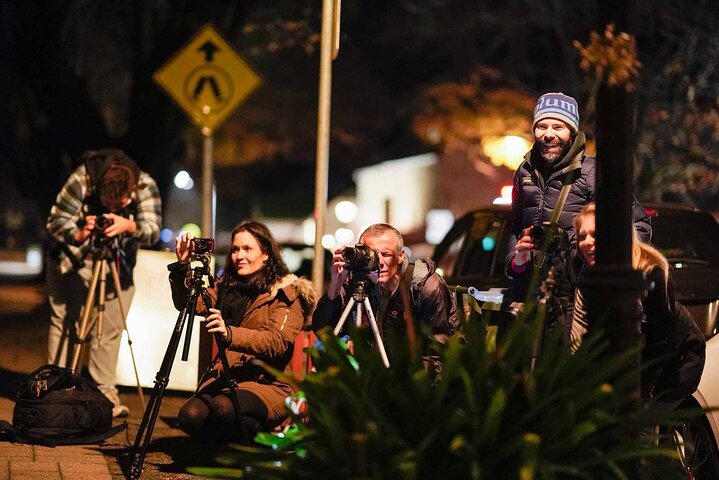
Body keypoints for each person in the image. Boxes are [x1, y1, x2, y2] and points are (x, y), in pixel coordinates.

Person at [505, 92, 652, 319]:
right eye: (542, 126)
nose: (548, 135)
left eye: (558, 127)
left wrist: (595, 267)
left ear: (572, 132)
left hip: (580, 299)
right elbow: (515, 228)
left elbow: (639, 225)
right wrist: (516, 264)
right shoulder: (523, 172)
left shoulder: (592, 173)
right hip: (534, 297)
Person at [169, 222, 317, 443]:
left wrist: (229, 334)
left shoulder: (286, 292)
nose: (239, 255)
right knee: (189, 416)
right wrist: (182, 266)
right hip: (229, 377)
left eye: (248, 249)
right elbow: (188, 304)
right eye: (235, 249)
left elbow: (277, 341)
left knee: (223, 409)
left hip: (267, 383)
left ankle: (260, 436)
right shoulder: (226, 286)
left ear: (266, 254)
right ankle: (230, 441)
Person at [46, 149, 161, 418]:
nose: (110, 210)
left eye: (117, 205)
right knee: (65, 323)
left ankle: (101, 396)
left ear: (130, 191)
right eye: (105, 203)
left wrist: (128, 226)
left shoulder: (145, 186)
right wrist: (80, 232)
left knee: (109, 329)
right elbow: (55, 221)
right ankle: (55, 391)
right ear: (98, 189)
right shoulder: (82, 179)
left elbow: (153, 230)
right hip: (73, 260)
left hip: (117, 265)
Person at [570, 203, 705, 407]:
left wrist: (640, 393)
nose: (587, 242)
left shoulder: (651, 270)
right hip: (630, 365)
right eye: (582, 236)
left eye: (596, 234)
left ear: (617, 234)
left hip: (675, 362)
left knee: (640, 427)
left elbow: (660, 341)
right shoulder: (588, 275)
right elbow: (578, 336)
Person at [312, 223, 458, 361]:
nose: (379, 262)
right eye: (372, 254)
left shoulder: (425, 285)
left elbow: (437, 352)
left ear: (400, 256)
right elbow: (322, 331)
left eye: (386, 254)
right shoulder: (359, 278)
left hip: (412, 375)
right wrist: (335, 288)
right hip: (373, 370)